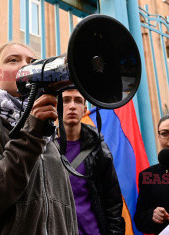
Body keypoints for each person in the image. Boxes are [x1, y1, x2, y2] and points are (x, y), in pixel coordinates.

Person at [0, 42, 78, 234]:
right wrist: (31, 132)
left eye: (32, 62)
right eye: (13, 60)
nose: (24, 66)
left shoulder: (47, 134)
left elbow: (66, 210)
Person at [60, 88, 125, 234]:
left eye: (77, 101)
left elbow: (113, 204)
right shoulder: (43, 147)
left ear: (84, 110)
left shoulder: (99, 150)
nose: (72, 106)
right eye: (65, 101)